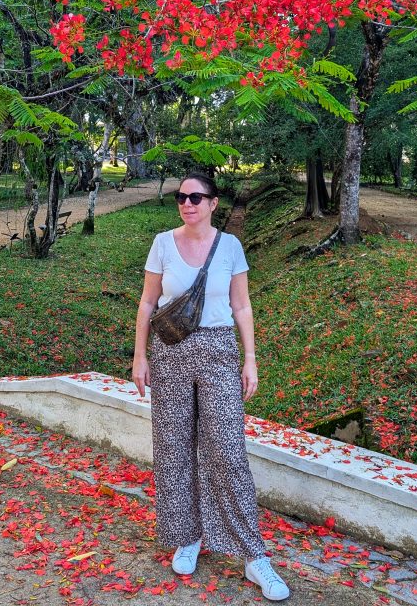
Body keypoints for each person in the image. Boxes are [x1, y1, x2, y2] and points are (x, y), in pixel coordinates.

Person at [132, 172, 290, 602]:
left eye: (196, 197)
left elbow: (241, 304)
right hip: (170, 352)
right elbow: (148, 302)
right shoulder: (163, 243)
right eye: (181, 197)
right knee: (174, 446)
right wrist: (139, 356)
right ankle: (188, 535)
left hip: (219, 350)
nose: (187, 203)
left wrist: (251, 358)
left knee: (227, 449)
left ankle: (253, 556)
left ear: (213, 203)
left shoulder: (230, 247)